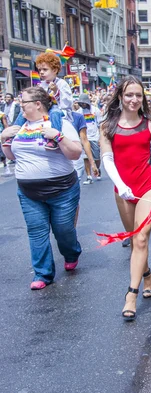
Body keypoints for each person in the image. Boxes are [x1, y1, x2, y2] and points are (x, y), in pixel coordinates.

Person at [99, 76, 151, 320]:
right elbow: (107, 159)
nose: (134, 99)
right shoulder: (107, 126)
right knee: (135, 242)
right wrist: (120, 184)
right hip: (123, 189)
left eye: (138, 95)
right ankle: (147, 276)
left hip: (148, 185)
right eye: (129, 95)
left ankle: (131, 295)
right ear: (120, 97)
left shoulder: (150, 124)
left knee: (142, 239)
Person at [0, 87, 82, 290]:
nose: (20, 107)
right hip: (29, 192)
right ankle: (42, 274)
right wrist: (4, 139)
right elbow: (12, 156)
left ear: (37, 104)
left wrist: (59, 137)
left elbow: (75, 153)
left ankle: (71, 253)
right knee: (37, 231)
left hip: (62, 189)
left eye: (24, 103)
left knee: (63, 230)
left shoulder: (60, 123)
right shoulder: (19, 126)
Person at [14, 52, 73, 151]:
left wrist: (56, 91)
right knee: (24, 112)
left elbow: (67, 103)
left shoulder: (62, 83)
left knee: (55, 113)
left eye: (45, 69)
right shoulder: (41, 85)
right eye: (40, 69)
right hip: (44, 110)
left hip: (59, 110)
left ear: (54, 70)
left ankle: (54, 139)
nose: (41, 72)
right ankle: (14, 132)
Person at [75, 94, 103, 184]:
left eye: (84, 103)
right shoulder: (79, 113)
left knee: (97, 157)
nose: (82, 105)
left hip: (94, 136)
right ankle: (89, 176)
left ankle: (97, 168)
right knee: (85, 157)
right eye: (81, 103)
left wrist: (100, 138)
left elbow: (100, 125)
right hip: (84, 137)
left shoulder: (95, 111)